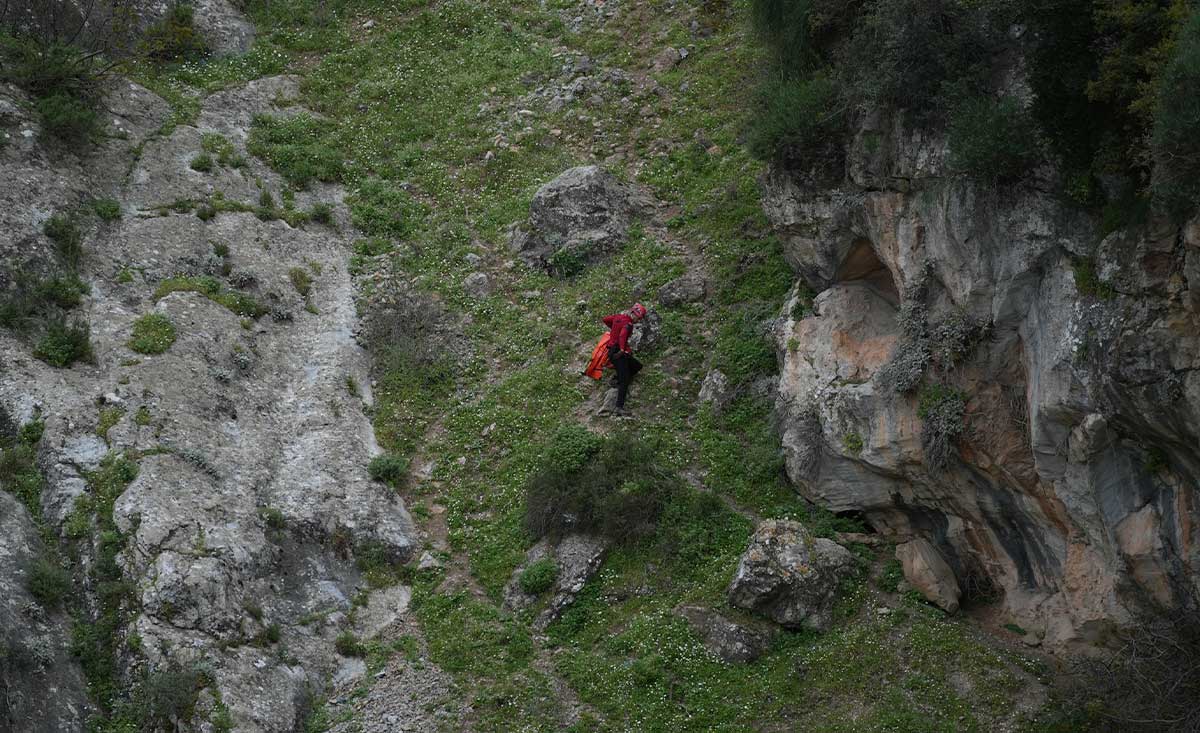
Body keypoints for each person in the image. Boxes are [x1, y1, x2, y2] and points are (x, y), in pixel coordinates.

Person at [599, 303, 646, 416]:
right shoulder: (628, 324)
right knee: (625, 381)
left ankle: (617, 378)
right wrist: (621, 349)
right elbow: (622, 336)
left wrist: (614, 328)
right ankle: (619, 407)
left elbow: (605, 319)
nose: (637, 321)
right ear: (634, 314)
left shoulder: (618, 317)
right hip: (619, 353)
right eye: (638, 318)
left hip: (612, 351)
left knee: (637, 366)